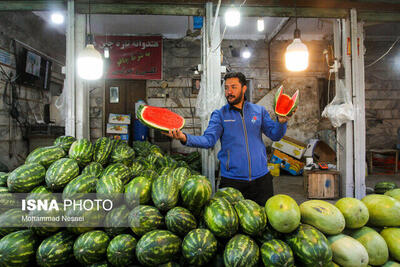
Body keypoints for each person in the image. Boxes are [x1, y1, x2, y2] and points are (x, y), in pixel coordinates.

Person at [164, 72, 295, 206]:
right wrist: (184, 137)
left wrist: (282, 122)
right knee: (230, 225)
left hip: (261, 180)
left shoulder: (259, 111)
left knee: (262, 222)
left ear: (244, 88)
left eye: (233, 87)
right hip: (232, 182)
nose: (229, 92)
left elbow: (275, 135)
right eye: (226, 88)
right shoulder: (220, 115)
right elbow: (208, 140)